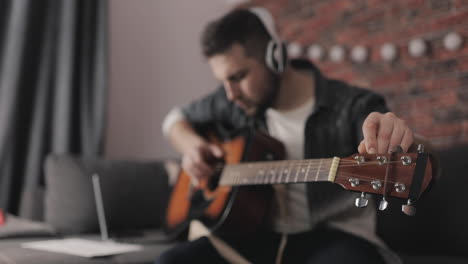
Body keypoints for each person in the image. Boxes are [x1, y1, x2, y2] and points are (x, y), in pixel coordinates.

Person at [157, 7, 412, 264]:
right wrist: (193, 148)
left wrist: (401, 140)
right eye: (224, 81)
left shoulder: (351, 105)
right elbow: (173, 121)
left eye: (238, 76)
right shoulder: (234, 101)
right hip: (254, 236)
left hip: (336, 238)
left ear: (275, 58)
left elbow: (409, 153)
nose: (231, 94)